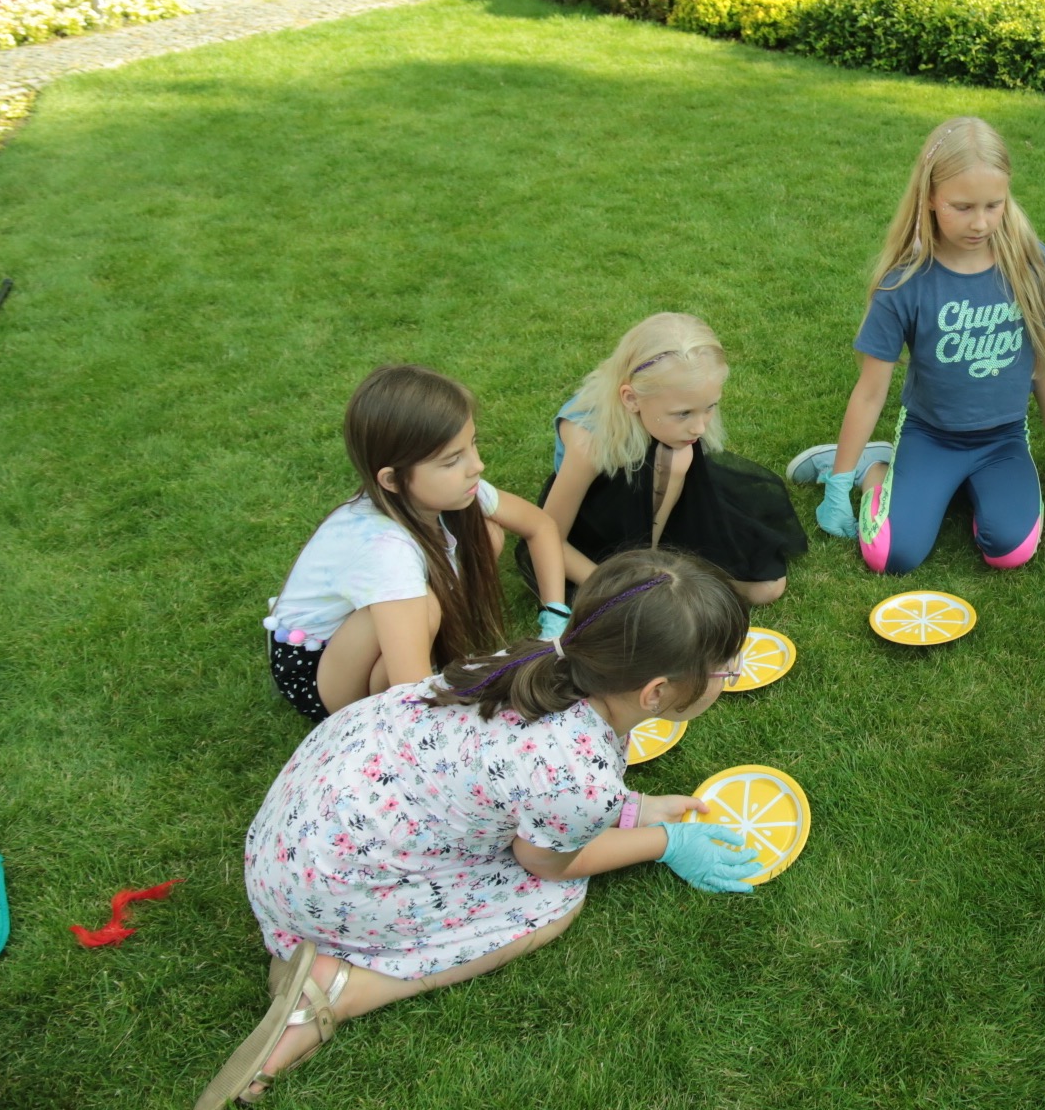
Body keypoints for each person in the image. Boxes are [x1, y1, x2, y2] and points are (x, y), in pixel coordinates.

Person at [197, 552, 763, 1109]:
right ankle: (344, 988)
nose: (732, 672)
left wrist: (630, 808)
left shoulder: (546, 661)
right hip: (330, 885)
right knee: (553, 903)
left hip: (300, 827)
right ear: (656, 694)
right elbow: (545, 861)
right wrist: (664, 842)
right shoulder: (580, 775)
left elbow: (525, 782)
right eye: (724, 666)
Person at [790, 116, 1045, 576]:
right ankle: (873, 470)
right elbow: (870, 390)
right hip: (932, 436)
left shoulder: (1030, 263)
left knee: (1010, 551)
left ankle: (968, 487)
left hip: (1002, 438)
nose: (980, 223)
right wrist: (839, 484)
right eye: (962, 207)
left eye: (993, 205)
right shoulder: (904, 282)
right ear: (930, 198)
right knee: (890, 557)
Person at [264, 365, 568, 721]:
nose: (477, 465)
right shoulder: (385, 550)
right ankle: (370, 717)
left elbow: (541, 526)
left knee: (488, 535)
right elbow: (412, 692)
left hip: (369, 629)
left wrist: (555, 621)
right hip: (317, 668)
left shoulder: (456, 492)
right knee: (424, 607)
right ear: (392, 480)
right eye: (452, 460)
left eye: (472, 445)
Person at [524, 312, 806, 608]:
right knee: (677, 457)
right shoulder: (587, 443)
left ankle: (662, 562)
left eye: (710, 407)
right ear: (631, 399)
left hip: (664, 500)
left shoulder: (678, 435)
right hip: (600, 519)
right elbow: (547, 536)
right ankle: (655, 568)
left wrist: (652, 565)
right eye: (684, 413)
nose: (699, 427)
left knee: (766, 588)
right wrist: (619, 587)